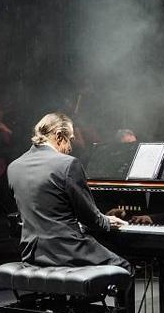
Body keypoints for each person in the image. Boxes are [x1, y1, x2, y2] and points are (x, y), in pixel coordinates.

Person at [8, 112, 130, 270]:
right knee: (123, 267)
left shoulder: (14, 167)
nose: (71, 148)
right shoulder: (67, 164)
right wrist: (106, 220)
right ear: (59, 136)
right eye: (70, 140)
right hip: (67, 252)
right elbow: (91, 219)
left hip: (32, 253)